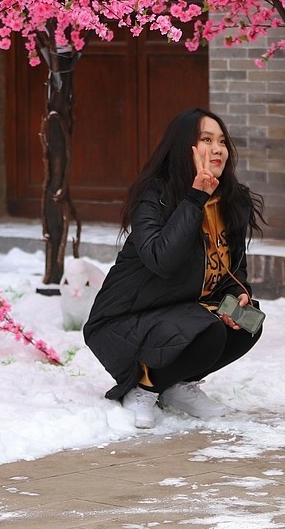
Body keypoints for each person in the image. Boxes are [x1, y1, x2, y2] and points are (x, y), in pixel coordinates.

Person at [83, 108, 265, 430]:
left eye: (222, 141)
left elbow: (233, 268)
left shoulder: (232, 200)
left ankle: (177, 384)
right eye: (206, 140)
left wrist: (239, 293)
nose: (218, 149)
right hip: (124, 319)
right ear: (185, 147)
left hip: (181, 311)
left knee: (247, 323)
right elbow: (162, 260)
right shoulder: (155, 196)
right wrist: (195, 198)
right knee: (206, 330)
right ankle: (143, 388)